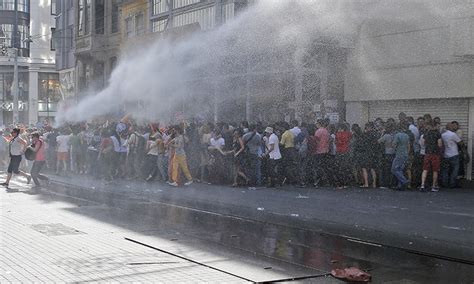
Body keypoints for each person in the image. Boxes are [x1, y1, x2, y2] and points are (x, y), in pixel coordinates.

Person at [419, 123, 442, 192]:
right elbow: (440, 144)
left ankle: (422, 185)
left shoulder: (426, 133)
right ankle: (433, 186)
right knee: (435, 171)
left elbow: (422, 143)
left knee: (425, 169)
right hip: (435, 154)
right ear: (434, 126)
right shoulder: (438, 134)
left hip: (427, 153)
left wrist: (428, 146)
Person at [441, 122, 462, 188]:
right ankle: (452, 184)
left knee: (445, 170)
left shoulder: (443, 135)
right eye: (452, 126)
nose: (453, 127)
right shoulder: (453, 134)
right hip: (454, 154)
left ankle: (444, 183)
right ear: (449, 127)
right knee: (454, 170)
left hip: (445, 155)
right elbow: (460, 142)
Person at [392, 123, 411, 190]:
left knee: (394, 169)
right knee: (400, 169)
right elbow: (409, 146)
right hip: (405, 154)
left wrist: (394, 149)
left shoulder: (397, 135)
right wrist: (407, 153)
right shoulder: (406, 135)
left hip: (399, 154)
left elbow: (394, 144)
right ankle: (400, 185)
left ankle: (405, 181)